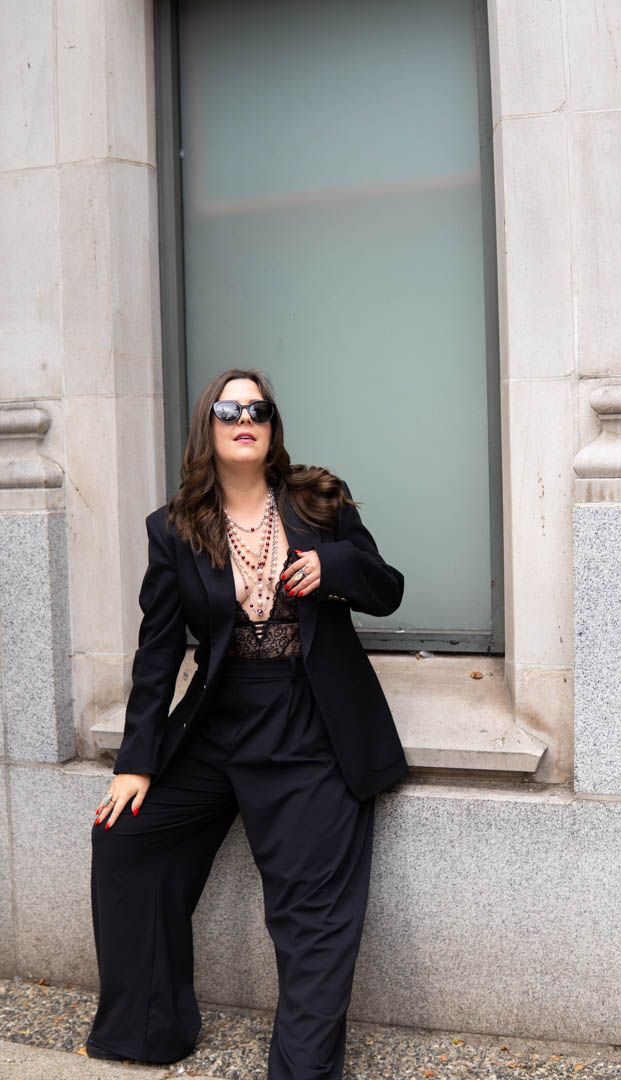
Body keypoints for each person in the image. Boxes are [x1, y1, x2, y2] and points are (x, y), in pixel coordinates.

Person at [85, 368, 408, 1078]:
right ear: (208, 425)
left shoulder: (318, 502)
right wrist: (136, 760)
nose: (245, 419)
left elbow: (388, 589)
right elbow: (158, 651)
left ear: (272, 426)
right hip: (219, 720)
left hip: (311, 721)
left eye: (257, 409)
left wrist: (334, 566)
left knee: (309, 914)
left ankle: (301, 1070)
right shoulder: (174, 528)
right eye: (230, 409)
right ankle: (149, 1028)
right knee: (125, 838)